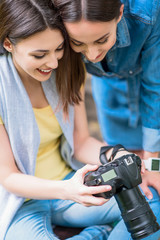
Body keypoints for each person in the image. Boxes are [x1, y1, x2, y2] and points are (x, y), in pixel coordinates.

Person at [0, 0, 137, 239]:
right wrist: (68, 190)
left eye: (59, 49)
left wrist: (117, 155)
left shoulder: (66, 69)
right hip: (22, 200)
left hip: (71, 182)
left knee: (148, 200)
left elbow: (80, 143)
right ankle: (98, 234)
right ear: (8, 43)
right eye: (40, 54)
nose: (53, 63)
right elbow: (8, 177)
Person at [52, 0, 160, 239]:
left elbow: (155, 86)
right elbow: (85, 144)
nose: (91, 55)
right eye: (78, 43)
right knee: (127, 164)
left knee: (154, 177)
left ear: (120, 12)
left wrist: (153, 164)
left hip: (151, 85)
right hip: (108, 89)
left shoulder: (148, 12)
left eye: (102, 39)